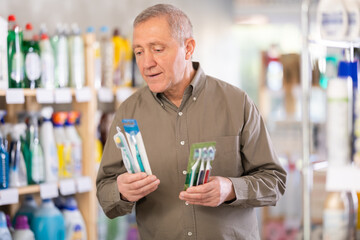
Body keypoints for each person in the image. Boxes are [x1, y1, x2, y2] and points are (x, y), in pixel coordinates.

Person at [96, 3, 286, 240]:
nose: (146, 63)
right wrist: (121, 191)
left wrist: (230, 189)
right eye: (139, 52)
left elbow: (274, 181)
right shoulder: (128, 113)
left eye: (157, 49)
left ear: (188, 48)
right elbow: (104, 192)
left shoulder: (237, 103)